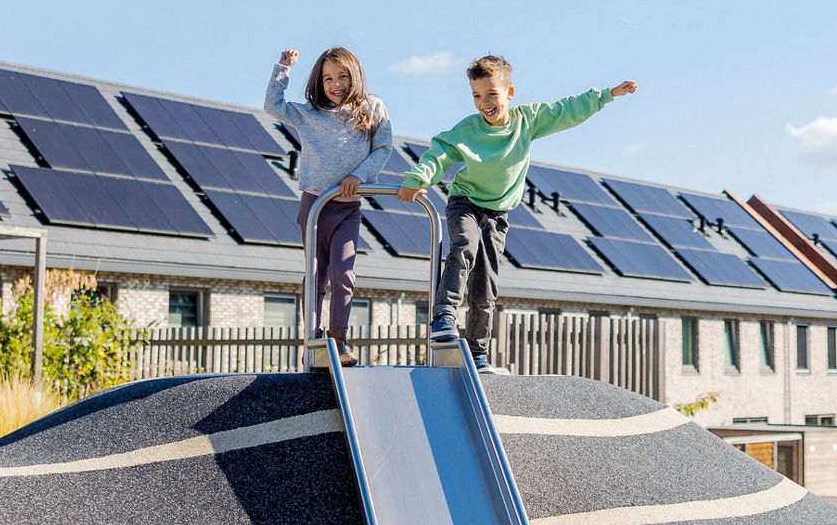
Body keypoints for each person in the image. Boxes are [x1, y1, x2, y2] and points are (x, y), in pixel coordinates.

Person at [398, 55, 636, 371]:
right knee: (463, 247)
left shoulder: (528, 121)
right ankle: (444, 315)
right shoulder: (469, 130)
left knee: (485, 284)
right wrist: (417, 179)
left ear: (510, 93)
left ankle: (477, 352)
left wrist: (607, 95)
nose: (484, 103)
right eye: (477, 96)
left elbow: (566, 111)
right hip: (465, 203)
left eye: (492, 94)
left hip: (497, 215)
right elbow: (439, 152)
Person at [267, 47, 394, 367]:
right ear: (319, 82)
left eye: (342, 76)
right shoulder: (310, 114)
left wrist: (359, 176)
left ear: (355, 76)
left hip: (348, 207)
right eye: (328, 79)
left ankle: (338, 338)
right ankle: (313, 335)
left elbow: (382, 148)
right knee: (316, 273)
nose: (336, 84)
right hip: (315, 206)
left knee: (344, 273)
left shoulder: (372, 107)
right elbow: (273, 106)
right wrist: (283, 68)